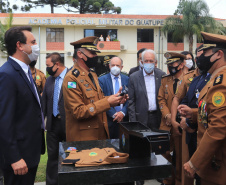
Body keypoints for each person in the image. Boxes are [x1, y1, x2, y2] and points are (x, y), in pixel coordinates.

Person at [0, 26, 45, 185]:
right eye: (33, 42)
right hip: (19, 158)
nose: (36, 46)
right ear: (20, 46)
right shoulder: (7, 74)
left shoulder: (24, 71)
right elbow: (4, 121)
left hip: (29, 153)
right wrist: (14, 158)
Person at [62, 36, 127, 142]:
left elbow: (97, 99)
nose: (96, 56)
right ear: (80, 54)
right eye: (92, 53)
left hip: (99, 134)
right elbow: (78, 111)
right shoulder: (71, 78)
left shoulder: (92, 74)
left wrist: (114, 99)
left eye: (96, 53)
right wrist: (107, 103)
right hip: (84, 138)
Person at [183, 32, 226, 185]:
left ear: (218, 54)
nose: (199, 57)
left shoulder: (220, 82)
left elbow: (218, 127)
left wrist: (195, 163)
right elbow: (214, 113)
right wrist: (194, 114)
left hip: (217, 165)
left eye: (205, 53)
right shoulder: (214, 78)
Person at [158, 52, 186, 185]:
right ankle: (167, 181)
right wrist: (167, 115)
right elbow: (161, 99)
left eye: (173, 63)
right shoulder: (165, 80)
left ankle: (180, 181)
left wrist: (175, 117)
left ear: (182, 64)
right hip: (166, 125)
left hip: (181, 126)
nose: (170, 66)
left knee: (181, 157)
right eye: (169, 64)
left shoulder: (189, 79)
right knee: (164, 156)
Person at [42, 52, 68, 185]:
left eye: (48, 65)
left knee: (69, 157)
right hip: (52, 125)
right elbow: (44, 101)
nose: (47, 68)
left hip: (69, 125)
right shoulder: (49, 80)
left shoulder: (71, 77)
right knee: (52, 157)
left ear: (57, 64)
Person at [128, 49, 165, 129]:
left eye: (151, 61)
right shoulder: (134, 77)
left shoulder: (161, 75)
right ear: (141, 62)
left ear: (155, 62)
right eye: (146, 61)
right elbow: (131, 101)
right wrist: (133, 121)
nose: (148, 63)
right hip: (140, 119)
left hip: (158, 117)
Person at [98, 56, 129, 139]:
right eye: (113, 65)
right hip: (108, 120)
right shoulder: (101, 80)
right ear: (109, 66)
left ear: (121, 67)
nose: (115, 67)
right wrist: (114, 114)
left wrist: (122, 113)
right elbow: (101, 99)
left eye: (117, 65)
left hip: (124, 120)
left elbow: (131, 98)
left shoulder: (127, 79)